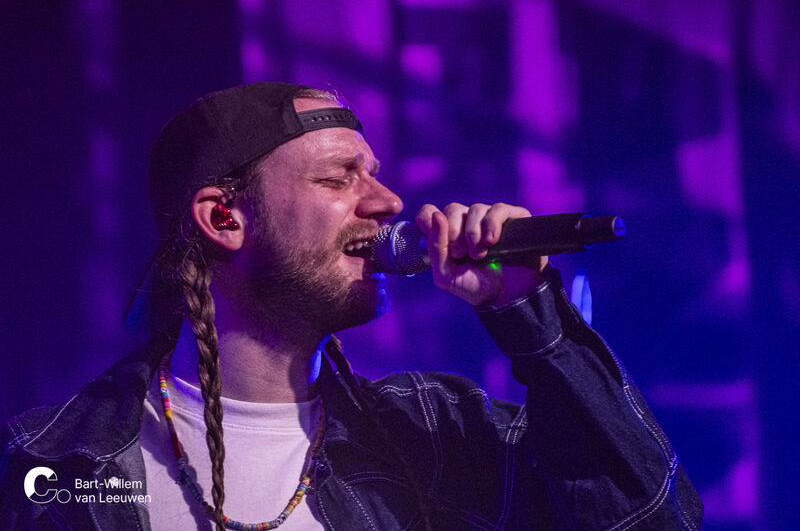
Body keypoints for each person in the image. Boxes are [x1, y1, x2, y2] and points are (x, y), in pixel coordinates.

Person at [0, 82, 702, 530]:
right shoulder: (55, 463)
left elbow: (649, 518)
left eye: (374, 173)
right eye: (339, 178)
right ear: (224, 218)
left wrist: (531, 315)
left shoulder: (439, 433)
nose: (388, 202)